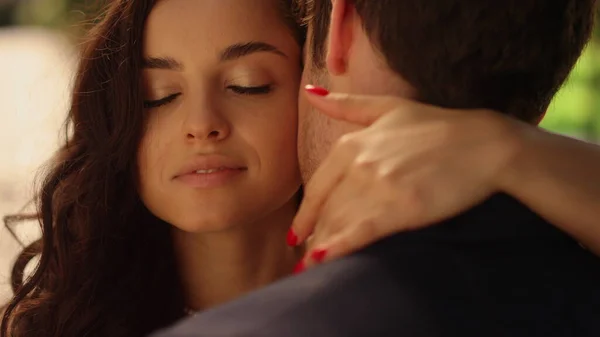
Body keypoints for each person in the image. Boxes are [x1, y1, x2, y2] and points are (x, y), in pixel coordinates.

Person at [2, 0, 600, 336]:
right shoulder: (53, 324)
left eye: (248, 85)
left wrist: (512, 149)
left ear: (314, 81)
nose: (202, 123)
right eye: (159, 95)